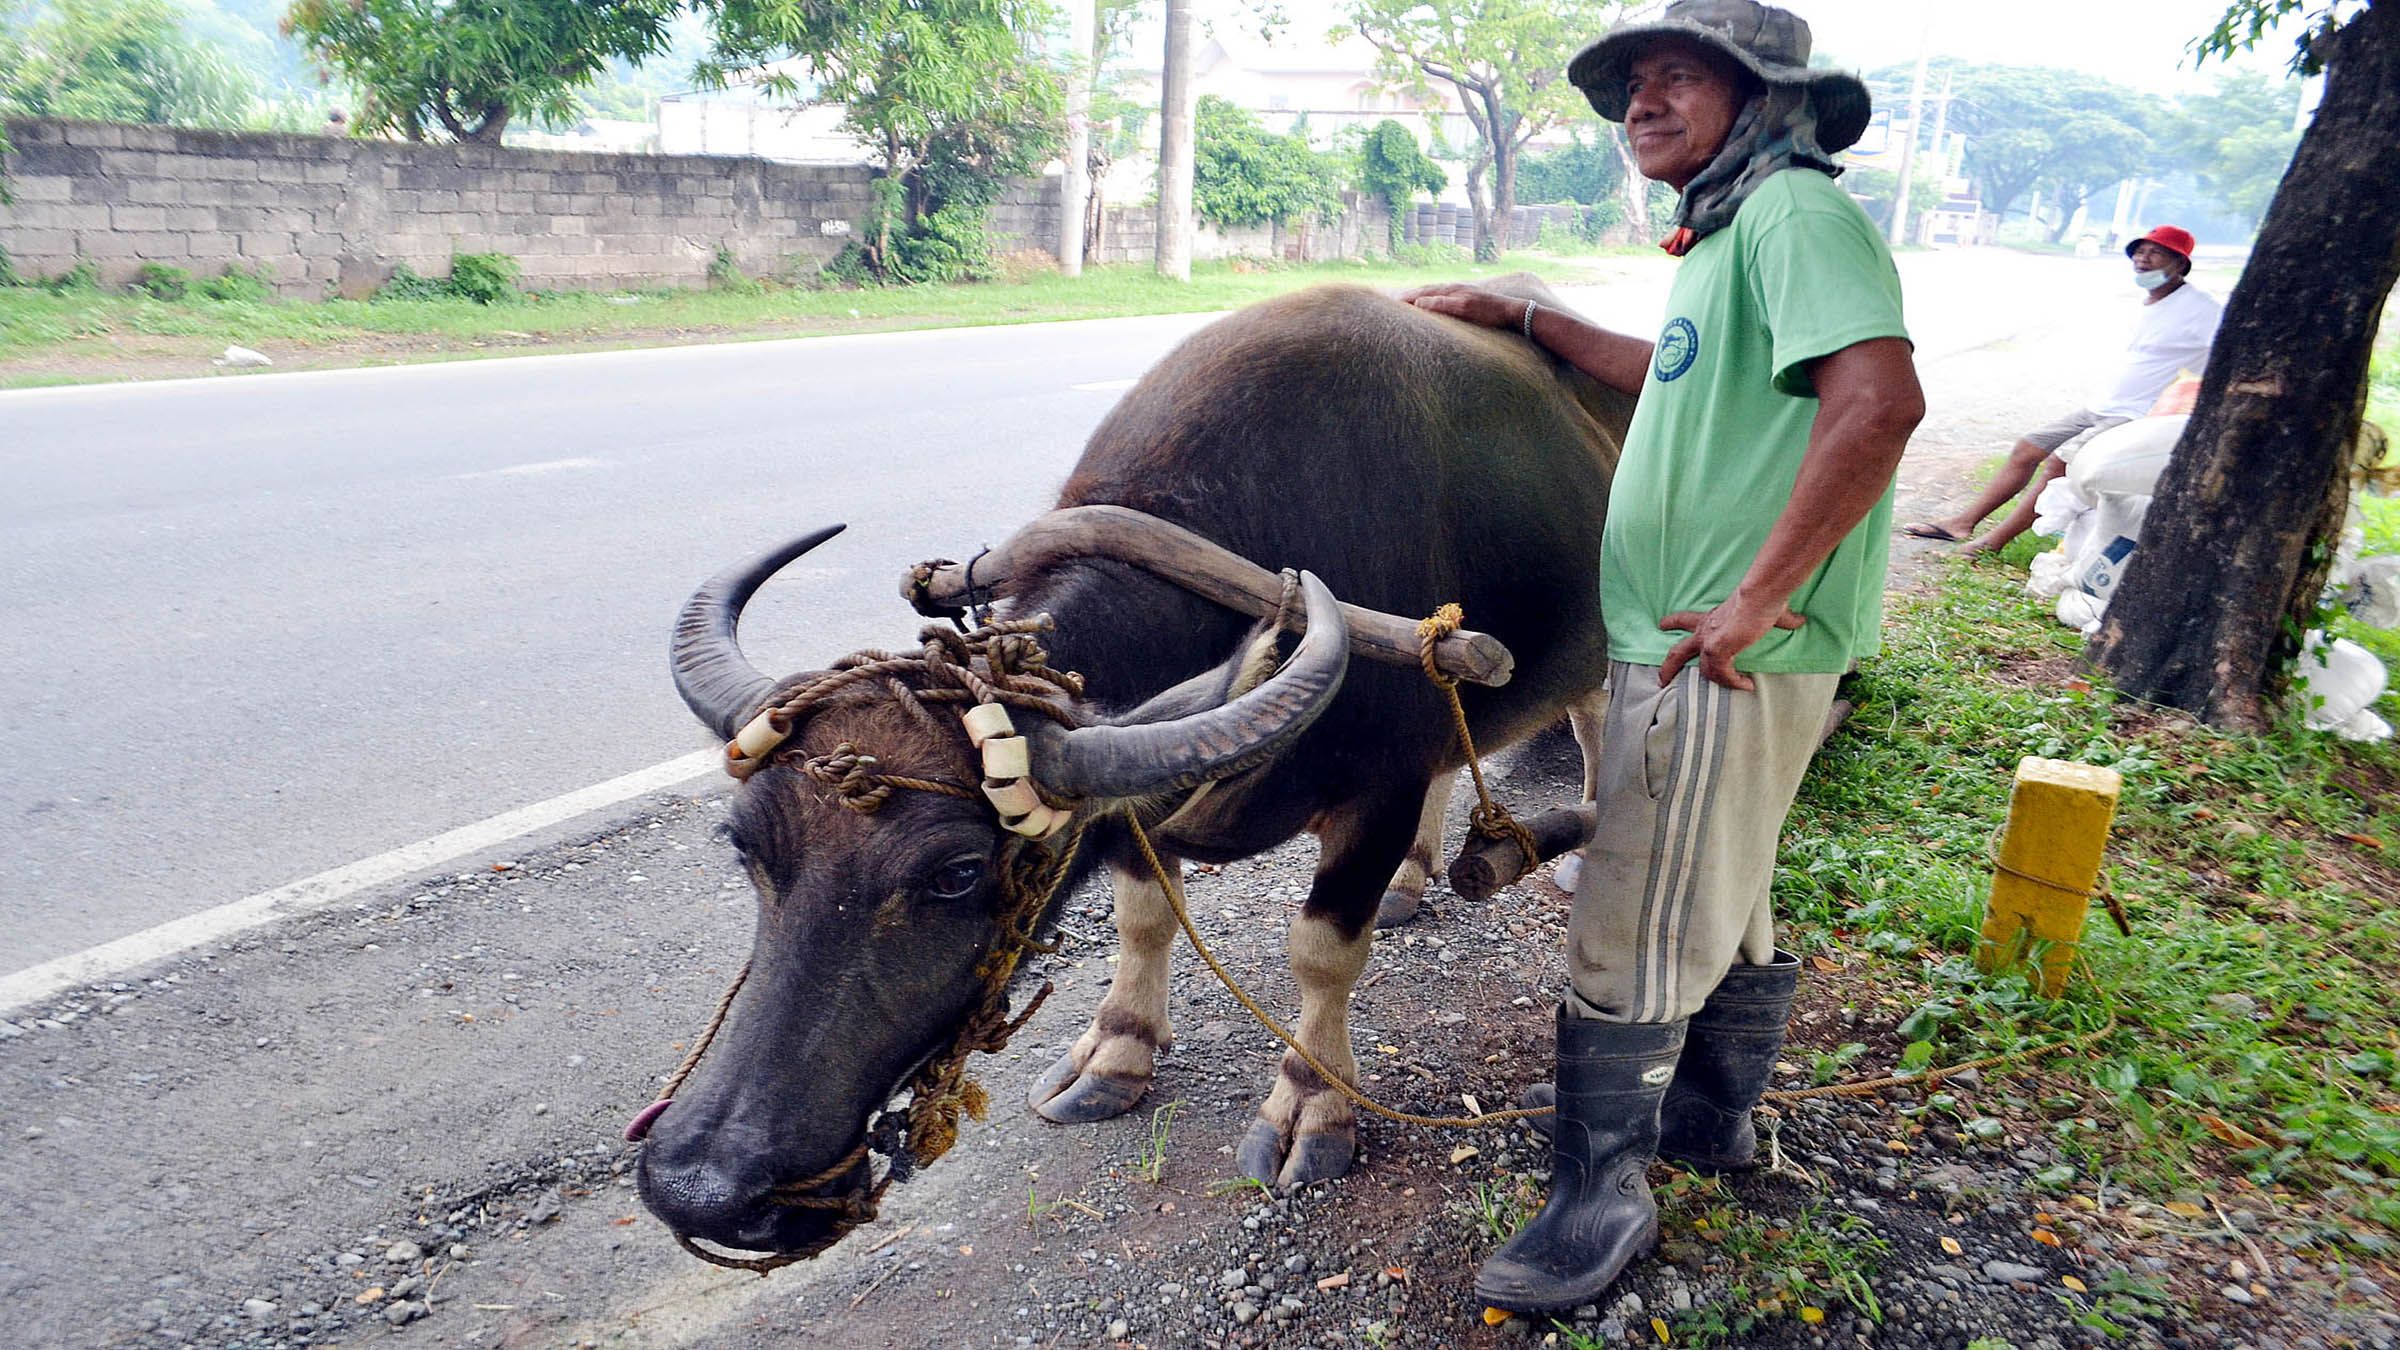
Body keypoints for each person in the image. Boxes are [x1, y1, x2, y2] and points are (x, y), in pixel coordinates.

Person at [1400, 0, 1923, 1315]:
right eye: (1634, 82)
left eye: (1681, 78)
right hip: (1695, 634)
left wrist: (1756, 597)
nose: (1642, 102)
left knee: (1633, 902)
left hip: (1720, 644)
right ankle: (1712, 1113)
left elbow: (1881, 399)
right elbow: (1691, 381)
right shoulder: (1731, 233)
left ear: (1771, 101)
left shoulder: (1798, 215)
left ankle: (1599, 1192)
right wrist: (1541, 319)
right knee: (1724, 878)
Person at [1902, 225, 2221, 555]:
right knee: (2028, 448)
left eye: (2156, 253)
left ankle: (1992, 542)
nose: (2143, 259)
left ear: (2180, 264)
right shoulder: (2149, 302)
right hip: (2102, 405)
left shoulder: (2202, 309)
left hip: (2136, 413)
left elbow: (2224, 361)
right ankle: (1962, 523)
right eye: (2140, 251)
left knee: (2058, 465)